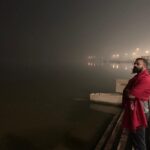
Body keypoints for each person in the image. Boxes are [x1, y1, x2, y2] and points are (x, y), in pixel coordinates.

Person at [122, 57, 150, 150]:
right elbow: (128, 91)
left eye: (138, 64)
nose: (134, 65)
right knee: (135, 139)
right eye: (134, 63)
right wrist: (128, 91)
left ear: (144, 66)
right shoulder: (137, 77)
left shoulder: (146, 79)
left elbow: (130, 94)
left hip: (140, 114)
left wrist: (128, 91)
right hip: (134, 111)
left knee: (139, 143)